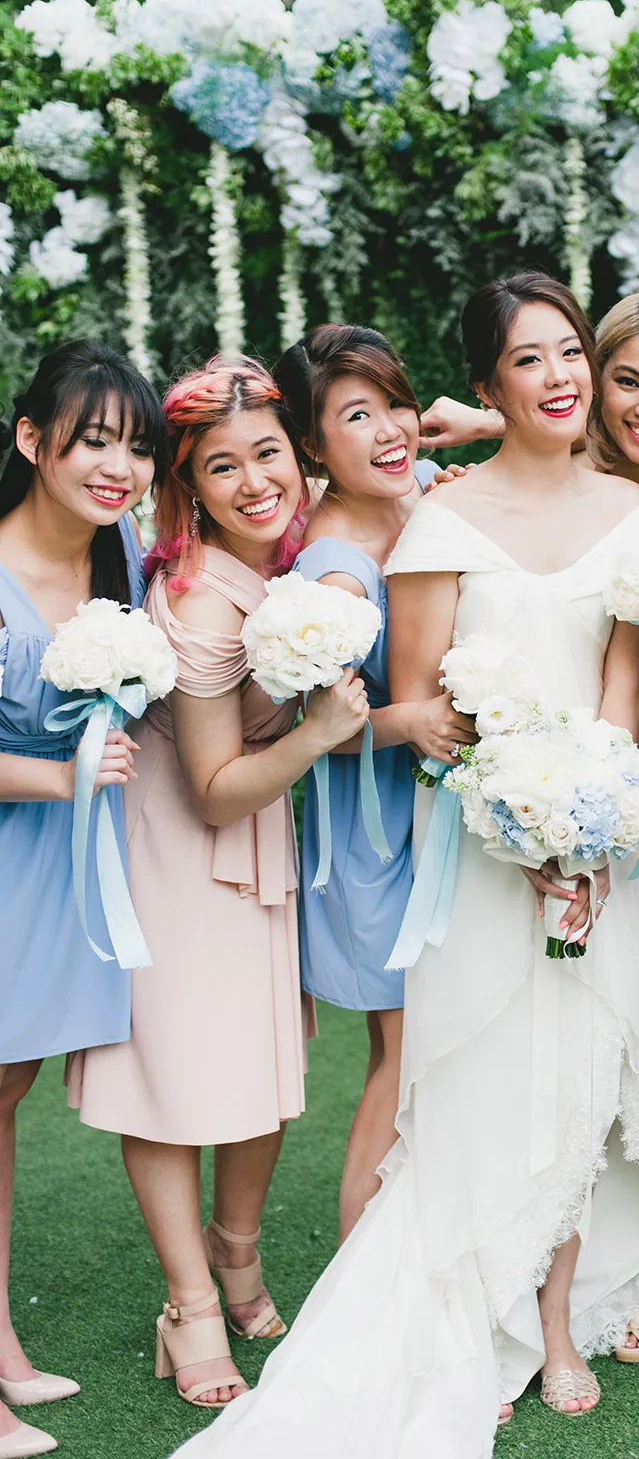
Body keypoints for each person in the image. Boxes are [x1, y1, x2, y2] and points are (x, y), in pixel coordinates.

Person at [169, 272, 639, 1459]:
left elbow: (624, 689)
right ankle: (482, 1307)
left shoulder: (632, 515)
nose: (565, 376)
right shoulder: (442, 524)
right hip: (478, 852)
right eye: (531, 360)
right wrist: (521, 836)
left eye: (570, 350)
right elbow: (421, 715)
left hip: (593, 845)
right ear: (487, 387)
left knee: (578, 1080)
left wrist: (599, 831)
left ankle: (558, 1325)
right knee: (478, 1085)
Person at [419, 295, 639, 1361]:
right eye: (628, 379)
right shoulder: (546, 493)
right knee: (608, 1019)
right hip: (583, 785)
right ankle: (525, 1262)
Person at [69, 358, 369, 1411]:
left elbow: (396, 454)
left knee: (258, 1072)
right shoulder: (197, 597)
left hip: (255, 847)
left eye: (269, 456)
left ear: (300, 458)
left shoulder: (297, 557)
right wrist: (326, 731)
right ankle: (190, 1305)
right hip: (182, 853)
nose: (255, 482)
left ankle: (236, 1256)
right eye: (222, 467)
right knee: (173, 1086)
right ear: (188, 487)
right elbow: (211, 788)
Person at [274, 324, 474, 1241]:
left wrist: (469, 428)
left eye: (396, 401)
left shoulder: (420, 489)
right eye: (358, 414)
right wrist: (414, 720)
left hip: (436, 815)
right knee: (404, 1055)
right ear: (314, 445)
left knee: (438, 1052)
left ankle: (431, 1246)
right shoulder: (337, 571)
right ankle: (362, 1288)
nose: (392, 428)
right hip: (378, 831)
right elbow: (323, 729)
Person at [0, 341, 164, 1459]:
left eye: (138, 444)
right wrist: (57, 777)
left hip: (68, 868)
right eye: (96, 439)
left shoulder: (127, 556)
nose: (121, 466)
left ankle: (0, 1340)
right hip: (14, 845)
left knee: (2, 1103)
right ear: (30, 441)